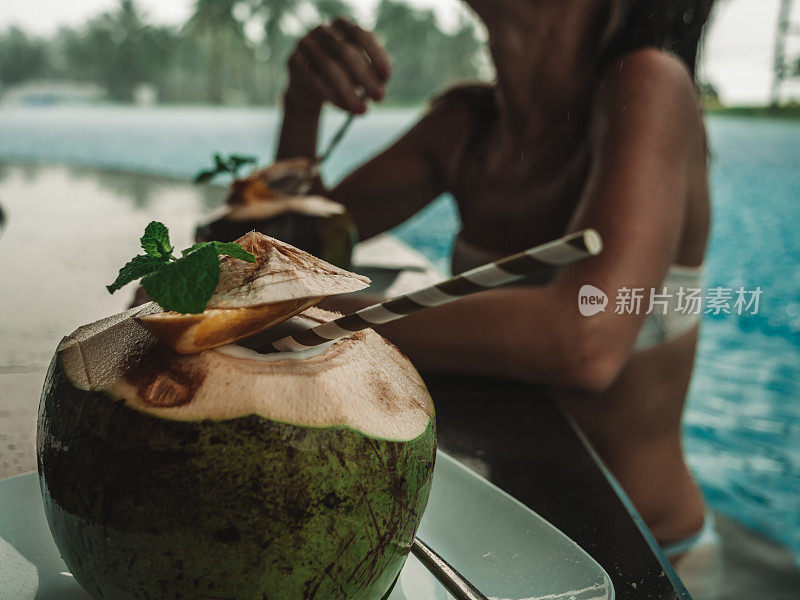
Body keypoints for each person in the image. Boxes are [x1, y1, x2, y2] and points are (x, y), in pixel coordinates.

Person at [276, 0, 718, 588]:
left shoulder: (651, 82)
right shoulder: (466, 126)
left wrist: (307, 312)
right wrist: (302, 106)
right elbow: (288, 256)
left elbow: (583, 340)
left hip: (652, 558)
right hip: (501, 548)